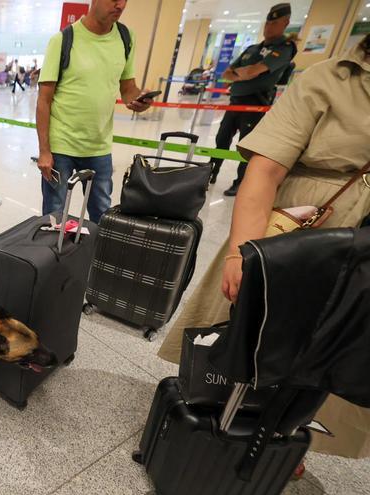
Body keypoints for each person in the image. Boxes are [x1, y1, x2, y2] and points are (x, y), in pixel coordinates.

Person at [158, 33, 370, 461]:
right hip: (302, 236)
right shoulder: (327, 79)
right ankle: (216, 429)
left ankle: (284, 438)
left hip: (362, 258)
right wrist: (241, 252)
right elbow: (266, 168)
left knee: (333, 351)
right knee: (256, 337)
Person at [36, 0, 152, 223]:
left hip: (99, 147)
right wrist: (44, 151)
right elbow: (44, 100)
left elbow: (127, 88)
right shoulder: (62, 40)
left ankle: (97, 258)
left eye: (125, 0)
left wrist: (138, 100)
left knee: (102, 214)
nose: (120, 5)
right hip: (62, 146)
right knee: (54, 214)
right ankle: (53, 256)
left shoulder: (126, 37)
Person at [209, 3, 297, 194]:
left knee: (246, 146)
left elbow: (252, 71)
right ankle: (210, 173)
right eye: (267, 23)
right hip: (235, 102)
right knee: (221, 138)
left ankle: (240, 182)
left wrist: (244, 73)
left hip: (256, 104)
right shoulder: (252, 49)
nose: (268, 27)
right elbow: (227, 73)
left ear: (285, 23)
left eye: (274, 23)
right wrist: (245, 73)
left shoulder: (284, 48)